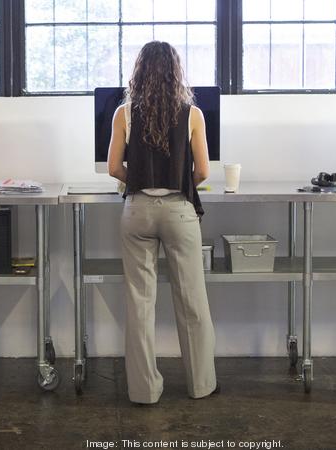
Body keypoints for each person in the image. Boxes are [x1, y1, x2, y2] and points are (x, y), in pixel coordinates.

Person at [107, 41, 218, 405]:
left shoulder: (124, 113)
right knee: (192, 302)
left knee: (140, 304)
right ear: (175, 71)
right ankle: (200, 385)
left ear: (138, 73)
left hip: (136, 209)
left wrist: (137, 180)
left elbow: (113, 169)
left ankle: (144, 391)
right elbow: (202, 170)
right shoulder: (193, 114)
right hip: (178, 211)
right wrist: (181, 183)